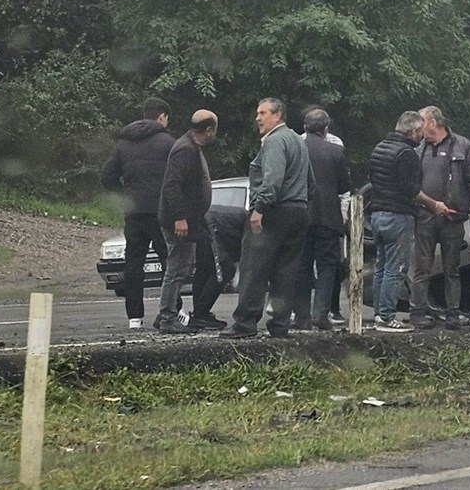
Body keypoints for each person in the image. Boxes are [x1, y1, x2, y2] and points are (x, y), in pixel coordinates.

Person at [221, 98, 312, 339]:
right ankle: (280, 324)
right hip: (298, 210)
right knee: (286, 271)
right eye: (257, 113)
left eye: (263, 113)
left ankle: (245, 323)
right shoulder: (298, 141)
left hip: (274, 211)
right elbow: (310, 182)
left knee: (254, 267)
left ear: (278, 115)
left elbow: (272, 180)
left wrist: (259, 209)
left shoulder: (274, 141)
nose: (258, 118)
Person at [101, 97, 176, 329]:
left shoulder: (123, 144)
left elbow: (106, 177)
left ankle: (134, 317)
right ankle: (173, 310)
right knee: (168, 261)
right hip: (160, 211)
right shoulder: (168, 142)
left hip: (134, 213)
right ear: (162, 116)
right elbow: (177, 176)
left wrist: (125, 195)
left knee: (133, 264)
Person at [412, 106, 470, 329]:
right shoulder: (418, 149)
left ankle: (453, 313)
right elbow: (411, 181)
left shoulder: (464, 146)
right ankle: (418, 311)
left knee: (451, 268)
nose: (418, 126)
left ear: (433, 123)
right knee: (422, 267)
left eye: (421, 121)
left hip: (453, 217)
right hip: (425, 215)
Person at [367, 111, 444, 333]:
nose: (421, 136)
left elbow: (374, 180)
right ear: (412, 131)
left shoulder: (379, 148)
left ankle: (380, 314)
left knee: (381, 266)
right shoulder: (406, 154)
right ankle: (388, 317)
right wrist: (433, 204)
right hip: (398, 215)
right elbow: (412, 190)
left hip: (377, 215)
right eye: (419, 132)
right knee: (396, 268)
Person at [155, 110, 218, 333]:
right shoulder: (185, 149)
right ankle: (167, 316)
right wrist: (180, 217)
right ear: (209, 130)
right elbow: (172, 185)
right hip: (178, 221)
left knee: (181, 268)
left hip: (188, 219)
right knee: (176, 269)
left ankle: (167, 313)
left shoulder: (191, 147)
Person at [293, 108, 351, 330]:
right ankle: (321, 313)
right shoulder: (335, 151)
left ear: (305, 126)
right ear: (326, 128)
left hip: (301, 212)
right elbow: (344, 186)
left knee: (302, 265)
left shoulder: (296, 148)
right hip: (328, 215)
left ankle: (301, 316)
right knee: (327, 266)